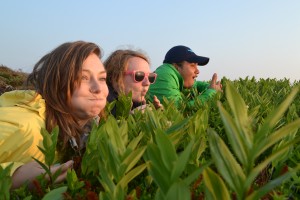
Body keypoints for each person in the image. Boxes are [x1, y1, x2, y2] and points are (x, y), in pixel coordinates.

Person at [0, 41, 109, 189]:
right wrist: (12, 177)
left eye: (102, 78)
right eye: (83, 77)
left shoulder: (86, 131)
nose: (98, 88)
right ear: (57, 81)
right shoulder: (21, 125)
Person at [147, 45, 222, 108]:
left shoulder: (174, 75)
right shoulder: (165, 75)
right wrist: (212, 92)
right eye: (192, 65)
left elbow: (196, 84)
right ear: (176, 66)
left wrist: (210, 87)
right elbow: (180, 110)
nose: (197, 71)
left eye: (197, 65)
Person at [104, 49, 162, 116]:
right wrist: (132, 118)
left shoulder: (135, 103)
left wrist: (156, 114)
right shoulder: (101, 109)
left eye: (150, 77)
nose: (147, 83)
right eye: (139, 76)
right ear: (116, 78)